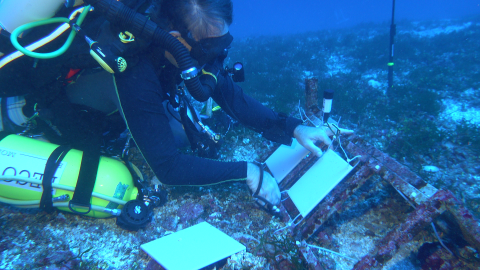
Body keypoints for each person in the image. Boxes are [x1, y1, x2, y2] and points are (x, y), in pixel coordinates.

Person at [0, 0, 353, 211]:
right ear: (178, 39)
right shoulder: (134, 69)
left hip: (140, 85)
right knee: (176, 141)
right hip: (68, 101)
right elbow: (169, 169)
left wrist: (294, 127)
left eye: (222, 45)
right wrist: (248, 170)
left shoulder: (178, 47)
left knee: (182, 132)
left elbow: (228, 94)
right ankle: (24, 113)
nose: (215, 61)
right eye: (209, 51)